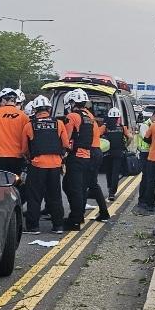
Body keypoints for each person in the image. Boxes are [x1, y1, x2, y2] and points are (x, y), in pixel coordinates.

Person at [63, 90, 109, 229]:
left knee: (77, 186)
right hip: (93, 152)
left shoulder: (73, 116)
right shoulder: (89, 116)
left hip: (85, 153)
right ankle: (82, 214)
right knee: (84, 185)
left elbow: (67, 138)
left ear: (72, 103)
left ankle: (78, 217)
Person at [23, 95, 69, 234]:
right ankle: (58, 226)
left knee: (34, 196)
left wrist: (28, 159)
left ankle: (33, 227)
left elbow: (24, 149)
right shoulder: (59, 124)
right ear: (49, 109)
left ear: (35, 109)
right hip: (55, 165)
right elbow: (66, 144)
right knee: (55, 196)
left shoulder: (29, 125)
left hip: (37, 165)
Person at [0, 88, 29, 179]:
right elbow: (27, 136)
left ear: (3, 100)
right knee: (15, 182)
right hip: (17, 157)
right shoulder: (24, 117)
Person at [135, 108, 155, 211]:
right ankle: (142, 201)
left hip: (152, 154)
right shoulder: (145, 126)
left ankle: (148, 201)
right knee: (146, 177)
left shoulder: (154, 126)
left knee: (150, 178)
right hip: (144, 154)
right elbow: (147, 139)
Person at [101, 107, 131, 200]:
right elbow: (130, 137)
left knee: (108, 171)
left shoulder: (105, 127)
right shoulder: (122, 127)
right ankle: (112, 193)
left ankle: (109, 187)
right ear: (118, 117)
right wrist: (125, 145)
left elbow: (96, 135)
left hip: (107, 153)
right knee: (115, 172)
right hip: (119, 152)